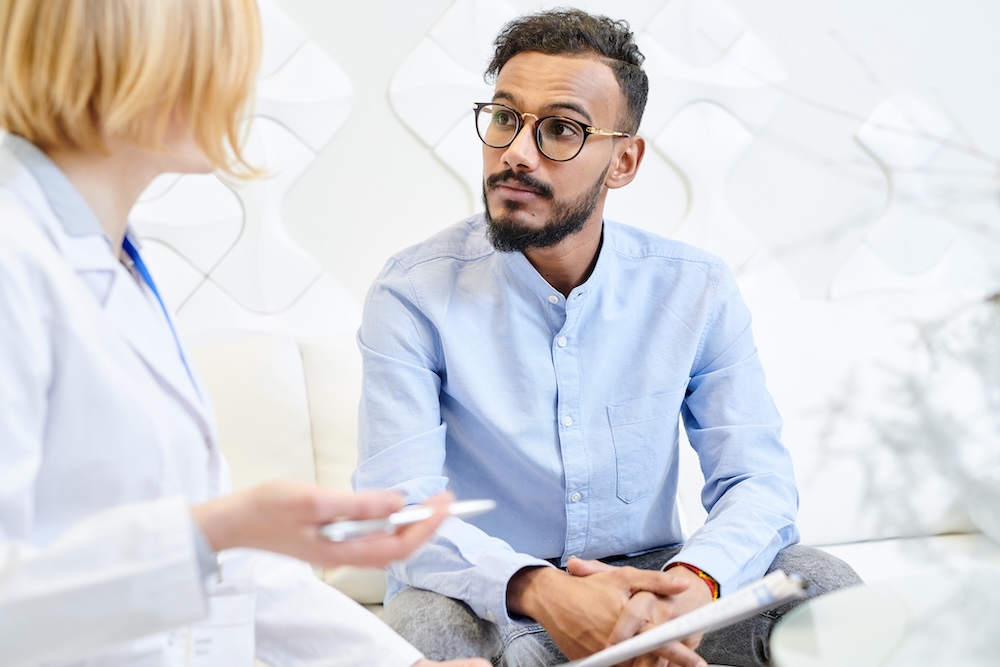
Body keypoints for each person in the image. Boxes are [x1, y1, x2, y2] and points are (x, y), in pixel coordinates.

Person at [353, 8, 863, 667]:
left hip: (657, 584)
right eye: (505, 117)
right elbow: (401, 513)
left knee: (820, 586)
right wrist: (547, 591)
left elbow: (757, 481)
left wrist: (691, 587)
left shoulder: (694, 288)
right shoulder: (411, 293)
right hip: (500, 601)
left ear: (623, 161)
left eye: (560, 129)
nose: (516, 151)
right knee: (421, 628)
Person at [0, 1, 489, 667]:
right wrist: (217, 528)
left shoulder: (112, 259)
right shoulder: (15, 257)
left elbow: (227, 566)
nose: (240, 84)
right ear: (137, 60)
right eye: (221, 54)